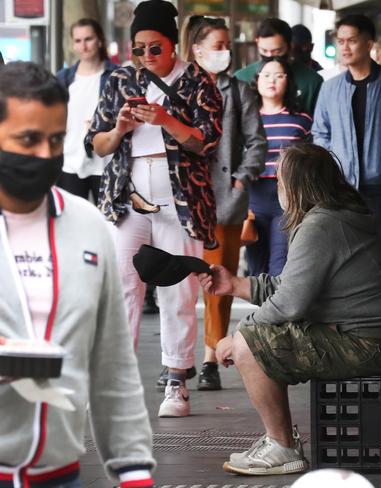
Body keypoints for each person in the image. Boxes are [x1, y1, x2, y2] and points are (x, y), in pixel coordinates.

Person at [198, 143, 381, 476]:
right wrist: (234, 284)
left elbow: (289, 303)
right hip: (367, 337)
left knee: (250, 341)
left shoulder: (321, 224)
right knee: (253, 335)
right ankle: (280, 441)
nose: (276, 187)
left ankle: (281, 446)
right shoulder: (333, 216)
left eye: (280, 180)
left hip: (365, 344)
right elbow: (290, 287)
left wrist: (235, 336)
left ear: (297, 185)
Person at [0, 61, 154, 488]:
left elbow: (113, 363)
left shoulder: (88, 225)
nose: (46, 155)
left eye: (55, 140)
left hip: (60, 475)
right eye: (28, 140)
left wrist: (134, 468)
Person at [85, 0, 223, 418]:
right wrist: (120, 128)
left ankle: (176, 381)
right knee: (123, 287)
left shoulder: (200, 81)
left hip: (182, 199)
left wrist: (166, 120)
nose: (146, 56)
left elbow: (206, 142)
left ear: (172, 43)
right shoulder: (119, 79)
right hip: (126, 197)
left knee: (178, 289)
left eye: (154, 48)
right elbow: (96, 143)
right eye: (138, 48)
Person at [183, 15, 267, 391]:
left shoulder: (238, 90)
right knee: (180, 282)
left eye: (227, 44)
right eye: (218, 45)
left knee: (219, 280)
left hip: (225, 200)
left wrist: (241, 178)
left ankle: (210, 356)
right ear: (197, 49)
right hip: (183, 198)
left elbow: (257, 141)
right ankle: (178, 358)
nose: (225, 51)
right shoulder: (181, 87)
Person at [312, 14, 381, 253]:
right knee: (345, 254)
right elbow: (320, 132)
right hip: (341, 188)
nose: (345, 47)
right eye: (341, 41)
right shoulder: (330, 88)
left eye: (352, 40)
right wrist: (333, 162)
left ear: (368, 44)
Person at [246, 57, 312, 277]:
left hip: (287, 197)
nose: (271, 80)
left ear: (288, 81)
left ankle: (276, 311)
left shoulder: (301, 120)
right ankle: (262, 311)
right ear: (256, 81)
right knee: (256, 267)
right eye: (266, 75)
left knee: (280, 264)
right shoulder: (246, 119)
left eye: (279, 75)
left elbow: (309, 161)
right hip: (253, 197)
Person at [56, 18, 118, 202]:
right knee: (72, 222)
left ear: (99, 40)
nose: (83, 45)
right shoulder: (63, 78)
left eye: (88, 39)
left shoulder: (116, 76)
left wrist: (106, 125)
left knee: (108, 224)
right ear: (73, 44)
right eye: (78, 41)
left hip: (105, 161)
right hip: (70, 161)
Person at [234, 18, 323, 115]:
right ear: (257, 43)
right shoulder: (240, 78)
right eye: (264, 51)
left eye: (277, 51)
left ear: (289, 46)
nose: (269, 56)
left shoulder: (312, 82)